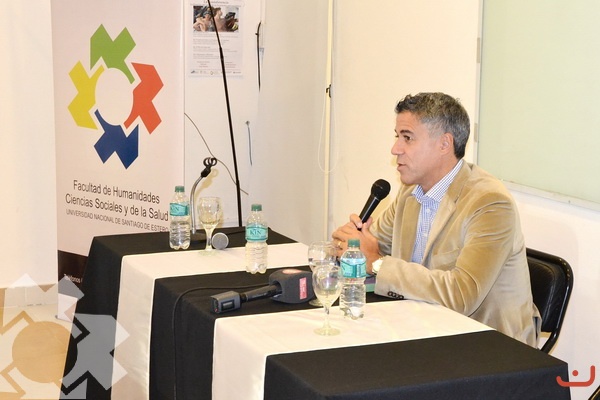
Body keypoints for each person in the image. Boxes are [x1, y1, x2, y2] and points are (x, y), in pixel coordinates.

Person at [331, 92, 540, 346]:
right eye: (397, 137)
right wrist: (353, 244)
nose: (395, 149)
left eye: (407, 138)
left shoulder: (490, 203)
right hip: (422, 327)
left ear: (444, 144)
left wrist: (376, 263)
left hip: (487, 344)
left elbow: (462, 295)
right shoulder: (410, 192)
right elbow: (373, 245)